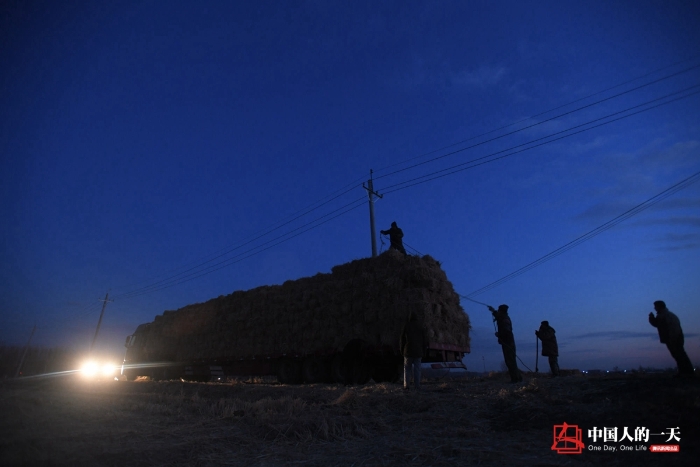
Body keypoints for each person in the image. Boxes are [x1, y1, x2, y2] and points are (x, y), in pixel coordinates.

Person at [648, 300, 695, 377]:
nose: (654, 308)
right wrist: (651, 318)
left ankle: (687, 372)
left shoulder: (666, 316)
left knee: (679, 355)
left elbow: (673, 328)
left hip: (674, 338)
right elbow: (657, 324)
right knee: (678, 355)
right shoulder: (663, 315)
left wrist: (672, 339)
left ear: (659, 307)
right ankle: (685, 372)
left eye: (655, 306)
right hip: (673, 338)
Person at [488, 304, 523, 383]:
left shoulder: (504, 320)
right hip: (507, 342)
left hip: (508, 343)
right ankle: (517, 378)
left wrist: (499, 335)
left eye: (498, 310)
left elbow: (507, 332)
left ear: (501, 311)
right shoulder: (503, 317)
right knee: (510, 361)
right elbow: (498, 315)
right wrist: (492, 310)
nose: (498, 311)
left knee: (510, 361)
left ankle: (516, 379)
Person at [399, 311, 426, 390]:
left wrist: (402, 349)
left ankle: (406, 386)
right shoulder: (421, 327)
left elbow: (402, 339)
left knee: (407, 369)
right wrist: (424, 351)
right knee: (417, 369)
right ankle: (417, 386)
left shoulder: (406, 326)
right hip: (418, 352)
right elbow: (424, 341)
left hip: (408, 351)